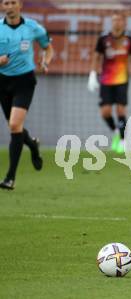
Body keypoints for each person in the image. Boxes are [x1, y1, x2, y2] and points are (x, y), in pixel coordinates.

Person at [0, 0, 53, 190]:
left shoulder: (33, 27)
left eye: (13, 2)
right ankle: (32, 145)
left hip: (25, 81)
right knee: (16, 127)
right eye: (6, 2)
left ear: (20, 5)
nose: (10, 6)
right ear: (2, 6)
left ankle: (10, 178)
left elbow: (48, 47)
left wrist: (45, 62)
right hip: (3, 81)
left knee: (14, 125)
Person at [88, 11, 131, 154]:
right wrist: (93, 74)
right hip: (106, 80)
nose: (116, 22)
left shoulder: (129, 39)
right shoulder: (104, 39)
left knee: (120, 110)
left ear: (124, 22)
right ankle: (116, 132)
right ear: (111, 22)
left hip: (121, 80)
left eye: (119, 20)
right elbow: (96, 56)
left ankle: (124, 141)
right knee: (105, 112)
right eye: (114, 20)